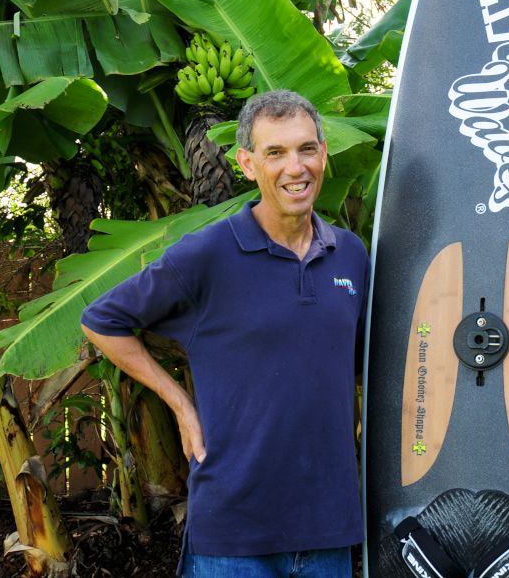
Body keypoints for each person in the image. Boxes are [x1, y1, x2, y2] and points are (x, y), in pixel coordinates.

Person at [80, 90, 368, 577]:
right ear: (248, 165)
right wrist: (180, 404)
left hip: (328, 529)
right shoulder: (209, 254)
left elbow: (361, 369)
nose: (294, 168)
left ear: (323, 153)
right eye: (274, 153)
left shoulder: (351, 255)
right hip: (233, 534)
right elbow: (103, 321)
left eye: (305, 149)